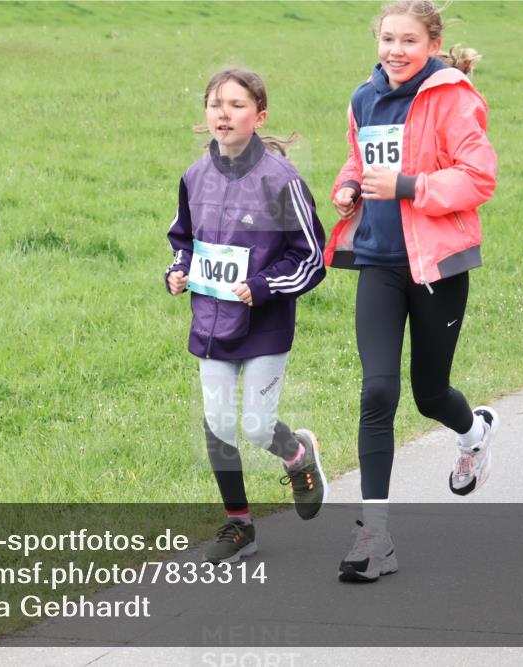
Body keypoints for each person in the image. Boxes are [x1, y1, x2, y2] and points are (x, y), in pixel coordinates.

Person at [326, 0, 499, 582]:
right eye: (387, 39)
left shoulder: (452, 97)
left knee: (428, 394)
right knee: (377, 393)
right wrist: (349, 186)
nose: (395, 51)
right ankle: (375, 536)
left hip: (437, 266)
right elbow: (357, 160)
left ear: (431, 43)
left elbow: (479, 177)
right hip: (378, 261)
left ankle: (475, 433)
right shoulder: (363, 97)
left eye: (408, 41)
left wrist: (407, 185)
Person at [165, 68, 327, 564]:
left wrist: (261, 286)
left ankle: (298, 456)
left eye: (236, 105)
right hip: (210, 322)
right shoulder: (195, 176)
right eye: (215, 104)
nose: (223, 113)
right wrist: (178, 271)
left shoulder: (281, 180)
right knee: (217, 423)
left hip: (264, 324)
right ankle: (240, 526)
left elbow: (311, 257)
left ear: (260, 115)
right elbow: (183, 239)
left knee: (257, 427)